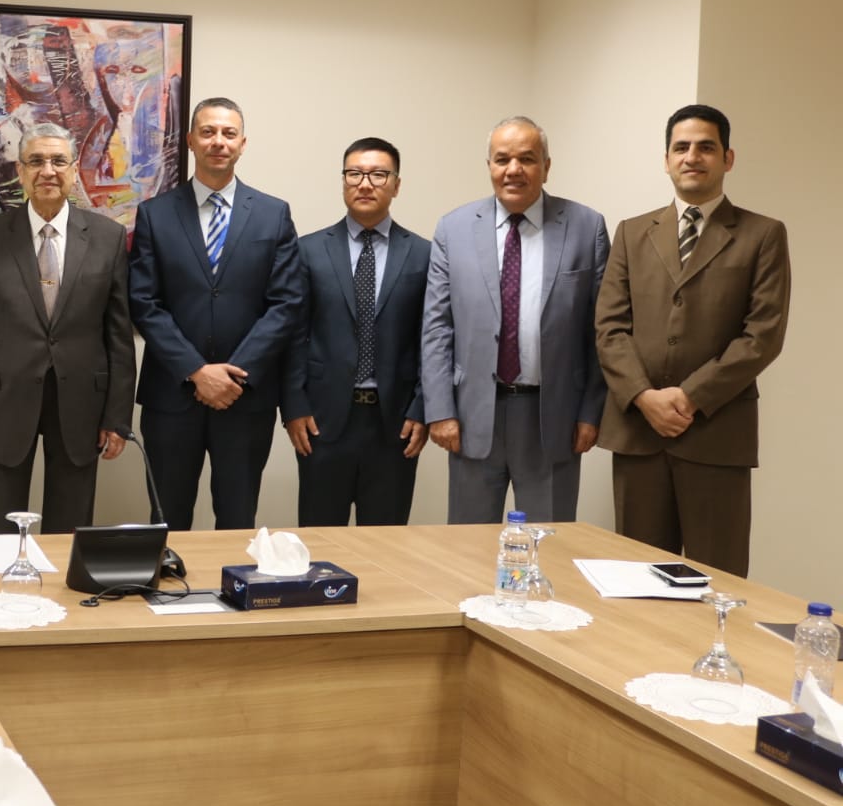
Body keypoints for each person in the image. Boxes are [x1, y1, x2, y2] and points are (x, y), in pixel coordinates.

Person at [596, 105, 789, 577]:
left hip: (717, 433)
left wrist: (689, 397)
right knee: (637, 578)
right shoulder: (631, 233)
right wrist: (644, 397)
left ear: (728, 158)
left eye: (706, 147)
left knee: (715, 579)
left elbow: (762, 335)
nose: (692, 156)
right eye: (681, 147)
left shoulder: (763, 234)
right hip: (639, 433)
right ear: (666, 159)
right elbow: (610, 327)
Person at [0, 123, 136, 532]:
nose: (47, 171)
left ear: (74, 169)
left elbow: (119, 337)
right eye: (36, 161)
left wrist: (118, 417)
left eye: (58, 161)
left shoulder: (107, 237)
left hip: (82, 403)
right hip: (2, 404)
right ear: (20, 171)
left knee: (70, 530)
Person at [421, 116, 609, 524]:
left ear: (546, 166)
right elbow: (437, 327)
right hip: (472, 415)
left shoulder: (586, 227)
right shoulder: (453, 229)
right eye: (502, 159)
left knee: (549, 545)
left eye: (527, 158)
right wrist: (440, 410)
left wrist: (590, 412)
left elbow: (599, 331)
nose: (514, 169)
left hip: (554, 417)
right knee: (467, 545)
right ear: (489, 165)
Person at [128, 98, 303, 530]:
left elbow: (286, 304)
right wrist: (195, 370)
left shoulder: (273, 214)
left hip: (245, 399)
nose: (218, 142)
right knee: (167, 523)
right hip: (172, 397)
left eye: (228, 133)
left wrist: (232, 376)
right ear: (191, 141)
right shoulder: (155, 214)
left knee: (238, 520)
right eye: (207, 132)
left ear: (243, 143)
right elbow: (144, 302)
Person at [282, 137, 430, 526]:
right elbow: (293, 335)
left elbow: (430, 340)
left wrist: (423, 407)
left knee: (385, 541)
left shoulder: (423, 254)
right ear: (343, 181)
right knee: (320, 538)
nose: (365, 184)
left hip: (394, 423)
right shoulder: (308, 250)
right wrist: (293, 405)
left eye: (378, 174)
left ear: (396, 185)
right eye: (354, 174)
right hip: (322, 420)